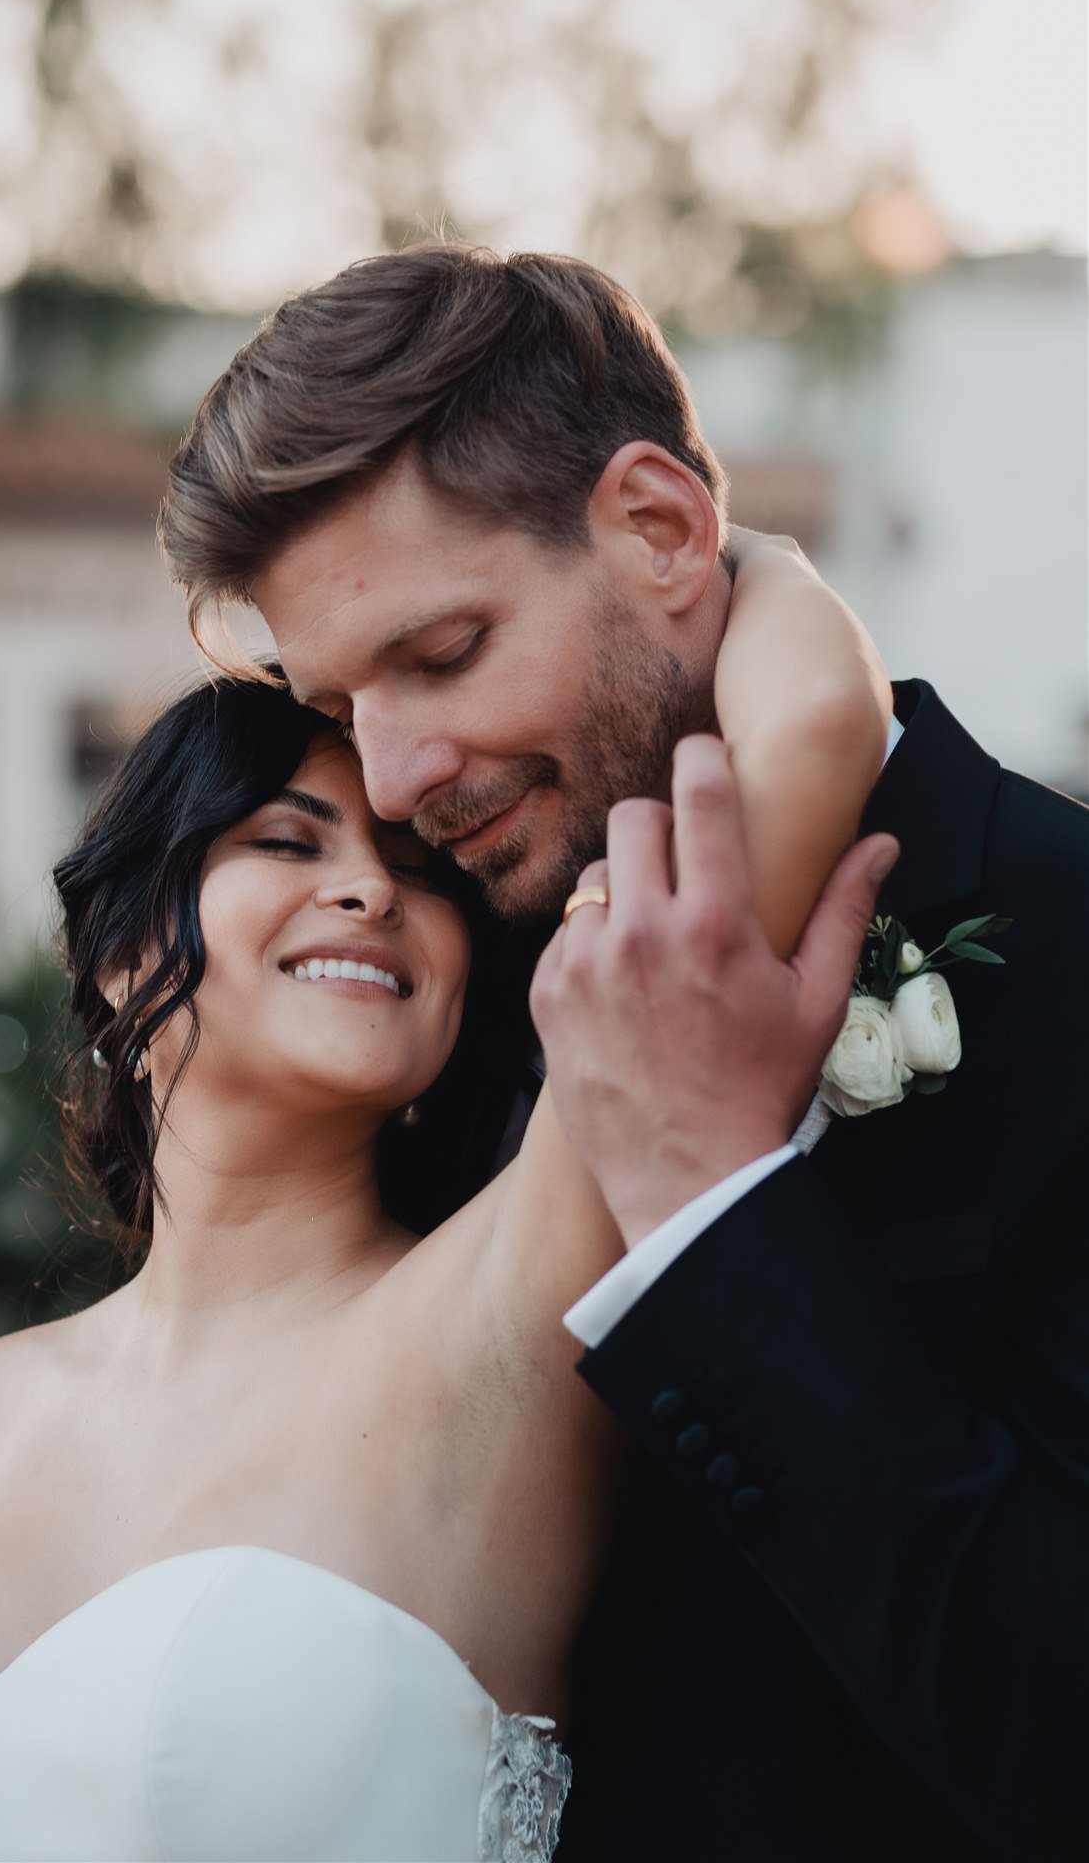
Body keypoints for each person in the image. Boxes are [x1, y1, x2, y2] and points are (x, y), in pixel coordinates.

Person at [160, 240, 1089, 1863]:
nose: (394, 776)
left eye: (442, 654)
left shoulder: (1067, 942)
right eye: (340, 698)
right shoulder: (450, 983)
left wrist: (718, 1202)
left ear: (659, 526)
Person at [0, 575, 888, 1862]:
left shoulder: (499, 1302)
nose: (369, 893)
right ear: (118, 955)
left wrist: (682, 543)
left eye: (416, 870)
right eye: (288, 840)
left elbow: (816, 720)